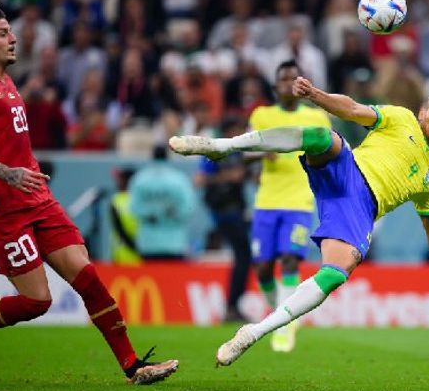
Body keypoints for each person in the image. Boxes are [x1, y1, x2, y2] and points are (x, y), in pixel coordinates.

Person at [169, 77, 429, 367]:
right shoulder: (401, 119)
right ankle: (222, 148)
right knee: (321, 136)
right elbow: (351, 110)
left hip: (360, 211)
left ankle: (253, 332)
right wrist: (315, 95)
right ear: (422, 112)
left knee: (336, 274)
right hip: (347, 170)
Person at [0, 7, 177, 384]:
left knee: (87, 277)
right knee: (37, 302)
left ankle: (133, 367)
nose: (13, 38)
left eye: (11, 31)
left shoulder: (8, 83)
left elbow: (9, 142)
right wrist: (7, 173)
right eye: (3, 33)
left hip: (37, 200)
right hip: (3, 208)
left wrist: (28, 168)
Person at [246, 60, 332, 352]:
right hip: (267, 201)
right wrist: (261, 152)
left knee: (290, 260)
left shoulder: (318, 118)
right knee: (263, 269)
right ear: (274, 86)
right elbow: (244, 149)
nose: (288, 84)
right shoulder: (261, 115)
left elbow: (329, 155)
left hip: (299, 201)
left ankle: (285, 325)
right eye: (283, 79)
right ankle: (278, 313)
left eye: (293, 79)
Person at [194, 118, 252, 322]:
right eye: (239, 128)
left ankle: (233, 305)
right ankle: (232, 306)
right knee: (243, 256)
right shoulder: (215, 152)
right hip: (225, 211)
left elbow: (248, 176)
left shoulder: (240, 153)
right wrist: (228, 176)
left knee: (243, 257)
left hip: (236, 209)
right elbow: (199, 180)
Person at [129, 145, 196, 260]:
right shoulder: (179, 179)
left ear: (152, 156)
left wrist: (151, 214)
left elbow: (134, 208)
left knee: (151, 278)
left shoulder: (140, 179)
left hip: (148, 243)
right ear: (168, 157)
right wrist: (171, 214)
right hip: (174, 243)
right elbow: (189, 207)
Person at [109, 167, 141, 265]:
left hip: (121, 255)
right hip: (140, 255)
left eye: (121, 179)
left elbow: (119, 229)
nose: (118, 182)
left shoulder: (116, 200)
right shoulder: (140, 200)